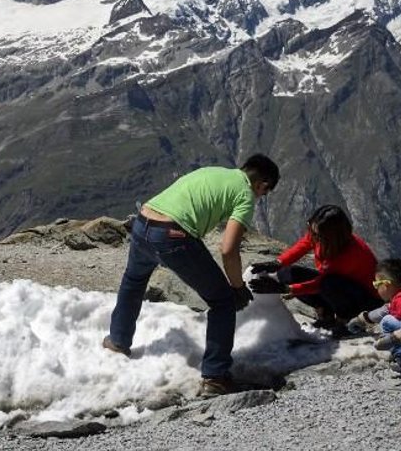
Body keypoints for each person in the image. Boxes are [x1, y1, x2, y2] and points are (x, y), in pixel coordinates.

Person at [103, 154, 281, 397]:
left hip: (143, 222)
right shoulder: (245, 195)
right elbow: (228, 249)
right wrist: (237, 287)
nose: (261, 197)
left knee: (133, 281)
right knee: (223, 301)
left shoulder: (214, 172)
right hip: (172, 235)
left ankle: (117, 342)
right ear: (262, 185)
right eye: (265, 193)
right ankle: (215, 377)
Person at [248, 204, 382, 337]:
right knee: (287, 274)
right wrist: (278, 263)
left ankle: (345, 322)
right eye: (311, 229)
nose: (312, 236)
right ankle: (326, 315)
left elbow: (319, 284)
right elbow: (303, 245)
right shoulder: (322, 237)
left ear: (330, 236)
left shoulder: (351, 253)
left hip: (366, 299)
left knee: (329, 283)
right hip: (339, 286)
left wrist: (286, 289)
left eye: (316, 234)